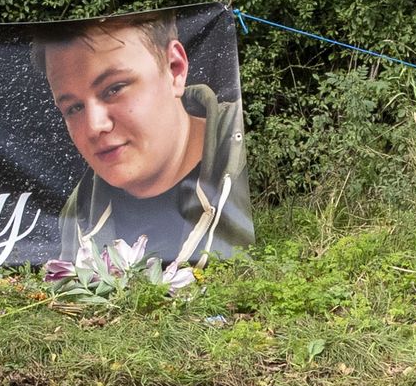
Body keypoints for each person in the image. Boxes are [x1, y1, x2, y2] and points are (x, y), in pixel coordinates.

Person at [33, 14, 252, 270]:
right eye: (73, 108)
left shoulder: (246, 164)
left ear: (174, 69)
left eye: (114, 89)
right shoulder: (78, 213)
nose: (95, 126)